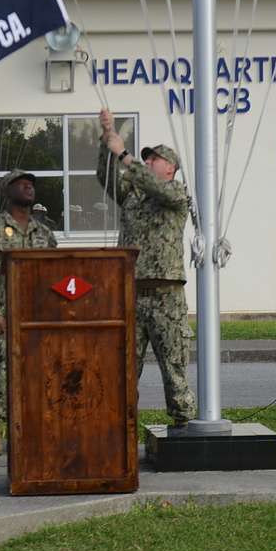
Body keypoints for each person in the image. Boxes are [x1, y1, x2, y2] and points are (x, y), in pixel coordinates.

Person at [97, 109, 197, 428]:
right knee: (123, 366)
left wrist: (125, 155)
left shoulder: (176, 194)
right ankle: (120, 428)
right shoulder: (133, 196)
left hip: (166, 295)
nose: (148, 162)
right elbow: (106, 178)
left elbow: (153, 185)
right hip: (130, 293)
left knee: (174, 366)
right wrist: (107, 139)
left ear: (170, 168)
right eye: (147, 159)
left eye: (153, 159)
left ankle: (183, 425)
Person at [0, 169, 58, 455]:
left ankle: (32, 427)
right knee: (0, 373)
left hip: (36, 317)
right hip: (4, 316)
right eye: (21, 184)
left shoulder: (44, 233)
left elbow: (54, 275)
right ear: (7, 192)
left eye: (31, 184)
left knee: (38, 373)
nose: (28, 187)